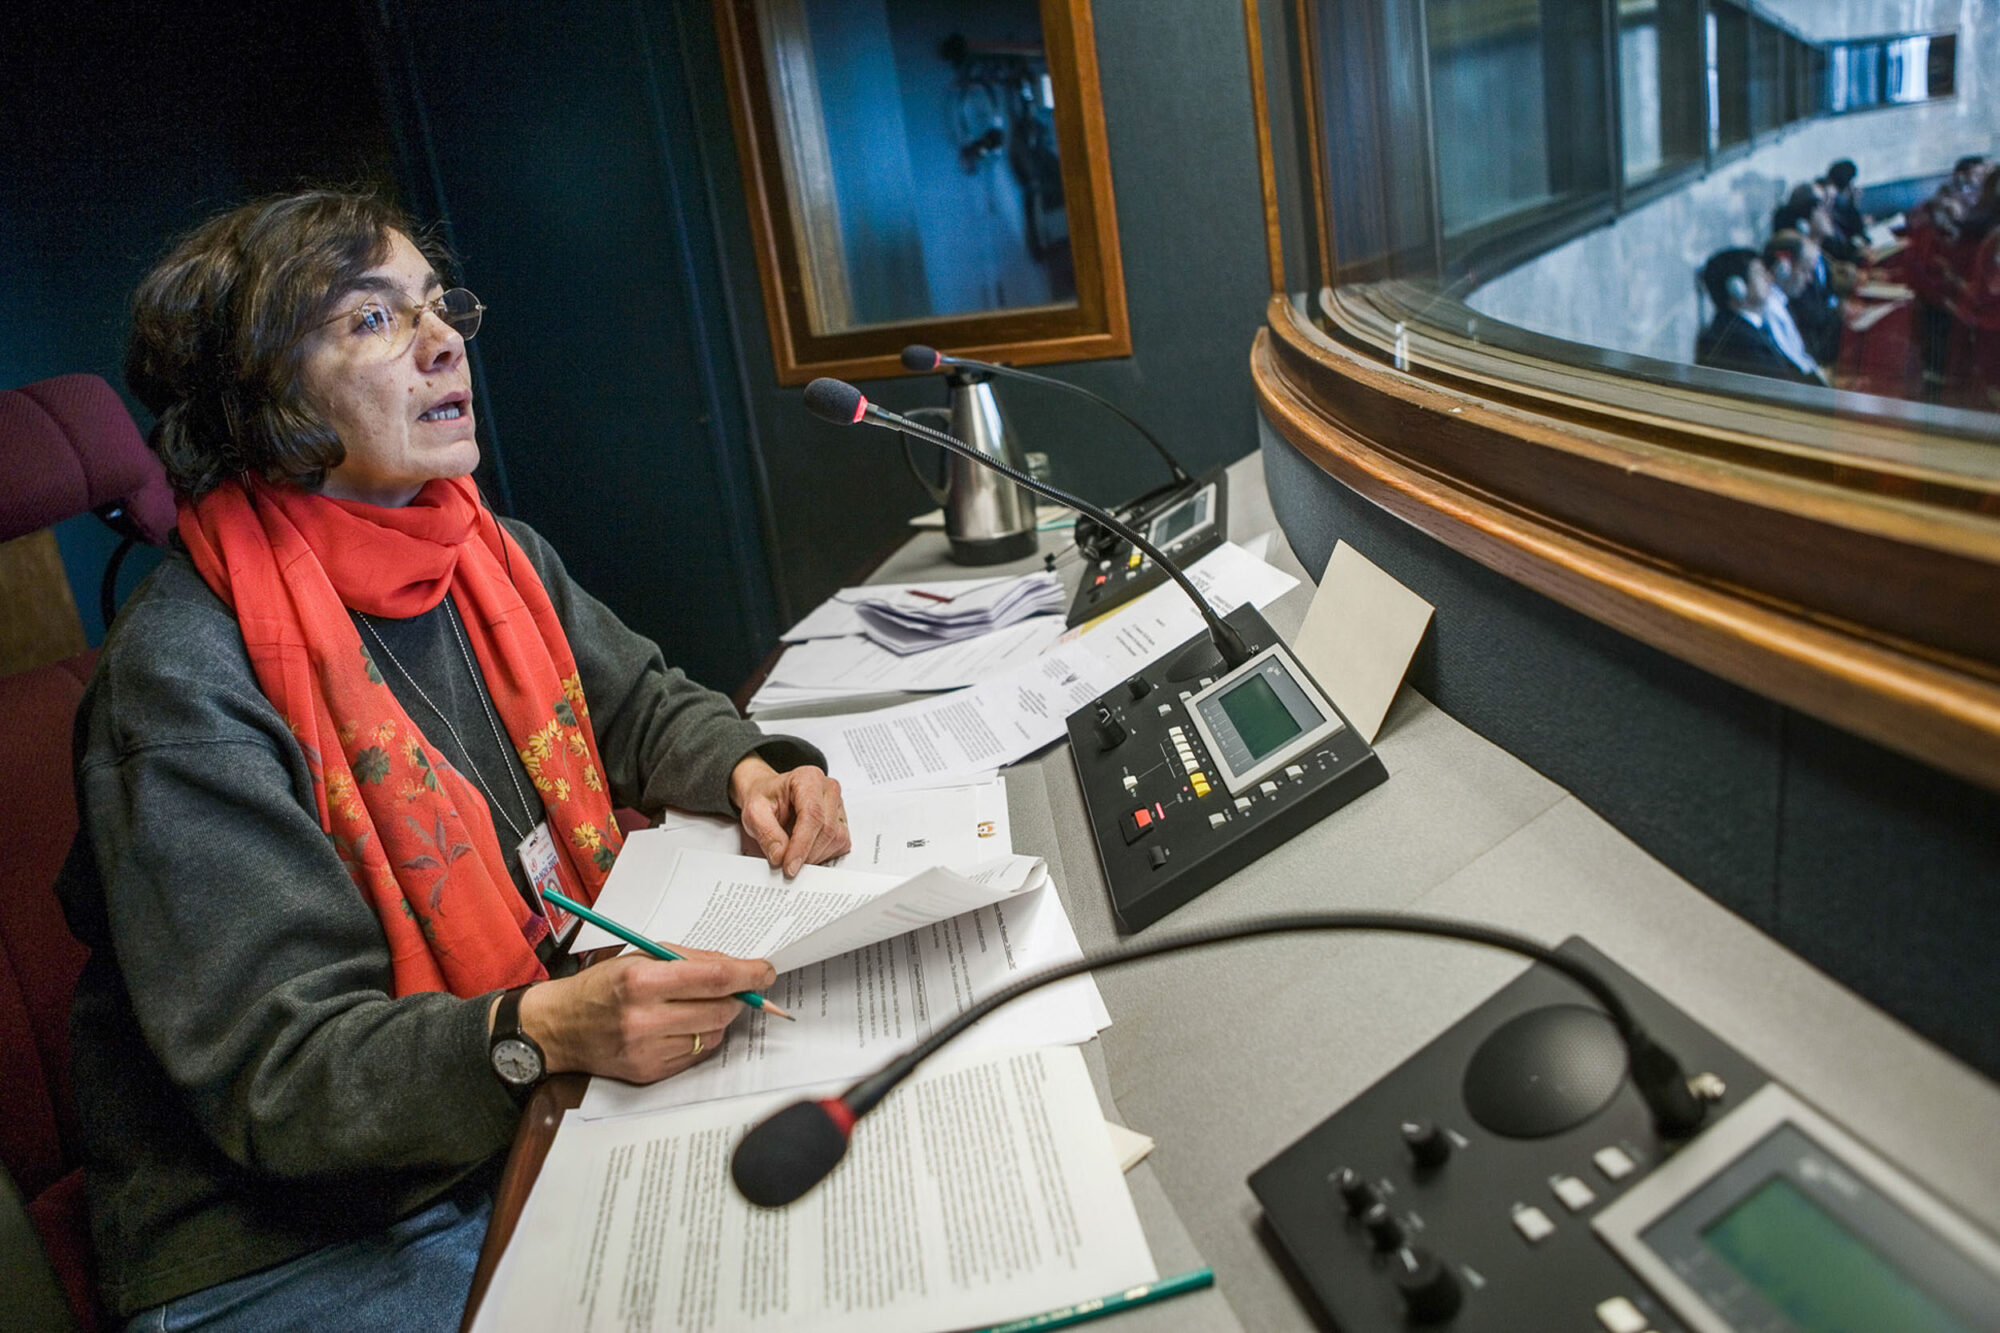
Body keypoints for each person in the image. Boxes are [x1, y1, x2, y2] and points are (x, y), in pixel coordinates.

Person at [62, 189, 852, 1331]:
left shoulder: (485, 547)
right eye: (373, 321)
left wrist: (748, 766)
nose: (444, 343)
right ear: (262, 394)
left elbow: (635, 706)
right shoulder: (182, 678)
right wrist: (546, 1032)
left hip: (510, 1098)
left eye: (439, 308)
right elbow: (281, 1078)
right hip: (294, 1239)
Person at [1695, 248, 1823, 385]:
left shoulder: (1751, 326)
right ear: (1737, 288)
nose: (1769, 278)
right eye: (1759, 274)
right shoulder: (1738, 340)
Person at [1763, 229, 1841, 369]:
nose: (1809, 279)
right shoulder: (1770, 310)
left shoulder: (1782, 303)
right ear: (1783, 269)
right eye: (1805, 270)